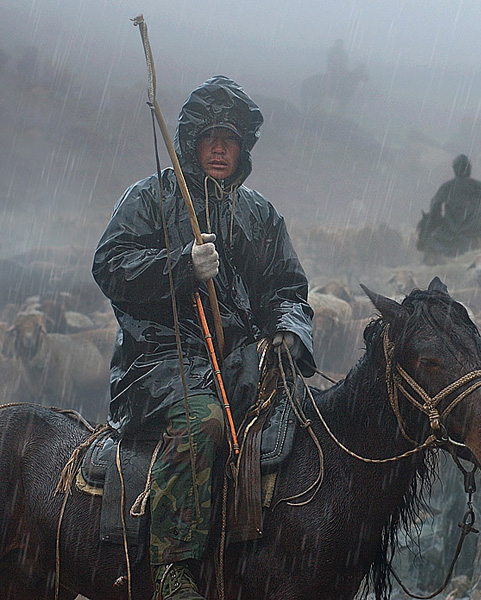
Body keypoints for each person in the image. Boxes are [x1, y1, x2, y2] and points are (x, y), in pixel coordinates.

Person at [92, 75, 315, 600]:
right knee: (203, 421)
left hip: (237, 363)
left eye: (231, 138)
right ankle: (173, 569)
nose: (220, 147)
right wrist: (180, 266)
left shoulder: (261, 216)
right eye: (211, 136)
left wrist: (288, 331)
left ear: (244, 148)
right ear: (192, 140)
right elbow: (109, 265)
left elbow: (288, 286)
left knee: (297, 425)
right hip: (158, 362)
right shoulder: (151, 197)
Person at [419, 154, 481, 264]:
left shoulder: (447, 187)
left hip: (450, 233)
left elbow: (435, 206)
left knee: (429, 248)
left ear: (455, 169)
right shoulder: (475, 185)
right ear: (469, 169)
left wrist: (438, 221)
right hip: (474, 232)